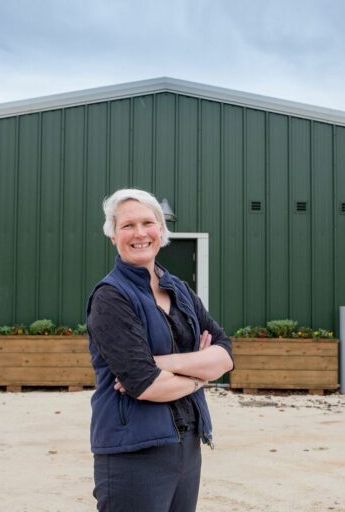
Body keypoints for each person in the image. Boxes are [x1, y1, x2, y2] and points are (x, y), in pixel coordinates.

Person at [86, 188, 235, 512]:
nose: (139, 233)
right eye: (127, 226)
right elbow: (146, 384)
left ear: (161, 231)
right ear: (113, 235)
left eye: (147, 223)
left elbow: (225, 353)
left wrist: (164, 363)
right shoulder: (111, 298)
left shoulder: (178, 288)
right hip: (133, 451)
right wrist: (200, 374)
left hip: (187, 442)